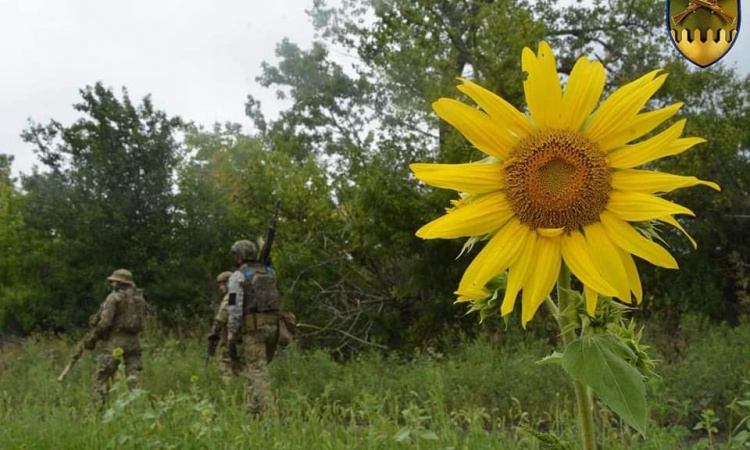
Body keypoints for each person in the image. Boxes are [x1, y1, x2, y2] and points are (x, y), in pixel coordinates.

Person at [226, 239, 281, 416]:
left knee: (257, 372)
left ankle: (271, 417)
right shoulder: (270, 272)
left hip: (253, 330)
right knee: (254, 370)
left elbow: (234, 307)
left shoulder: (237, 277)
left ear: (239, 256)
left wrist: (231, 334)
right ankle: (253, 413)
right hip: (273, 328)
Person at [84, 269, 146, 405]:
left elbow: (105, 323)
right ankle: (139, 408)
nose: (111, 283)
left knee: (102, 379)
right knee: (133, 381)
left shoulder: (113, 298)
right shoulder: (139, 300)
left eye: (113, 281)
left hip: (115, 342)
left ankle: (94, 413)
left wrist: (93, 339)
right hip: (134, 343)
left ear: (119, 283)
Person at [209, 271, 237, 383]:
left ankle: (228, 390)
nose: (220, 287)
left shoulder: (232, 295)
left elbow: (222, 315)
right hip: (239, 336)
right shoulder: (241, 294)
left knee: (225, 362)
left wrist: (214, 331)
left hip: (231, 337)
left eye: (222, 284)